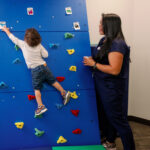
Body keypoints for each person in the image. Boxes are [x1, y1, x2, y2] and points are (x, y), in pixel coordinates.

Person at [83, 13, 135, 150]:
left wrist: (93, 64)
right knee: (108, 117)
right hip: (102, 86)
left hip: (112, 89)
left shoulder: (117, 44)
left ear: (109, 25)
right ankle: (110, 142)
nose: (99, 26)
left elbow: (114, 70)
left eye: (101, 23)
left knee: (119, 121)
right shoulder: (104, 41)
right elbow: (100, 59)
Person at [2, 27, 71, 116]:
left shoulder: (23, 44)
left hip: (35, 70)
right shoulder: (39, 45)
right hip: (44, 67)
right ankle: (64, 93)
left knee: (37, 88)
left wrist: (6, 30)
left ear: (25, 39)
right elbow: (46, 55)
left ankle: (41, 106)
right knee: (53, 81)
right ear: (38, 38)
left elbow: (12, 38)